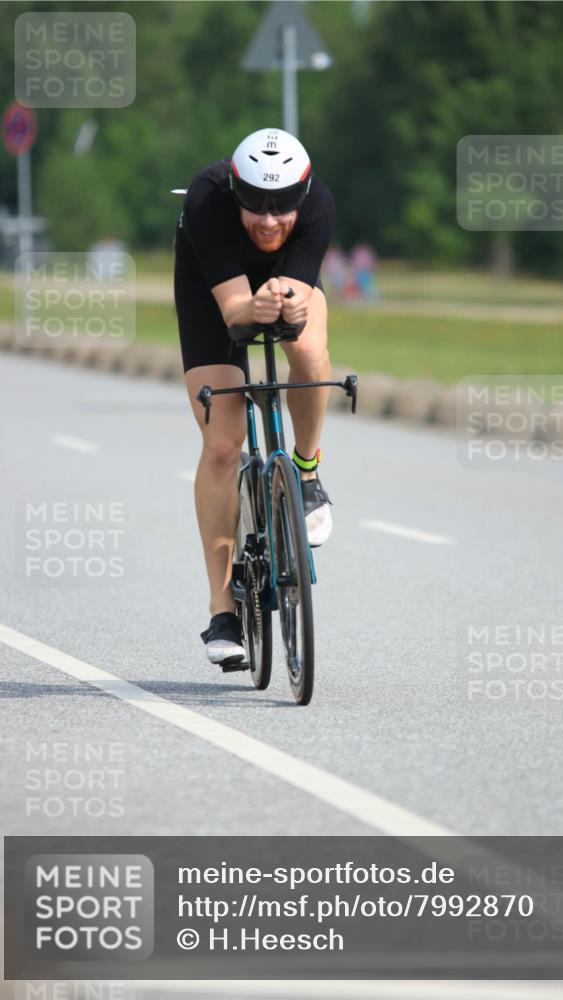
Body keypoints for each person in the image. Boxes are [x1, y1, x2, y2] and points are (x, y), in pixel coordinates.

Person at [174, 127, 335, 668]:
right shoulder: (207, 200)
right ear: (236, 192)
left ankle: (307, 474)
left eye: (283, 208)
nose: (269, 222)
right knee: (222, 444)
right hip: (214, 289)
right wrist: (257, 303)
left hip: (283, 286)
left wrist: (288, 301)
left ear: (304, 194)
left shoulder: (318, 209)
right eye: (256, 208)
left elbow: (301, 300)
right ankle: (222, 610)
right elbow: (235, 311)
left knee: (310, 359)